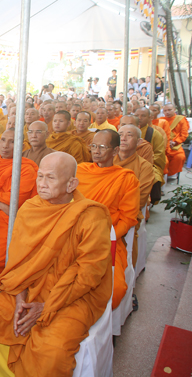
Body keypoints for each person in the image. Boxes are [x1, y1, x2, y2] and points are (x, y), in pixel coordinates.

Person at [0, 152, 112, 377]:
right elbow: (17, 263)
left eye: (50, 178)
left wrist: (46, 307)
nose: (42, 184)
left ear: (71, 184)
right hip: (27, 289)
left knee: (52, 352)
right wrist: (20, 299)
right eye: (40, 176)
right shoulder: (29, 209)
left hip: (72, 297)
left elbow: (89, 275)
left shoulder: (91, 216)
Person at [77, 130, 140, 309]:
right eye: (93, 146)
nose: (96, 151)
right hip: (73, 234)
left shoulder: (126, 178)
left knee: (114, 288)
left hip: (106, 238)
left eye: (102, 147)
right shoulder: (80, 170)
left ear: (115, 151)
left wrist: (107, 238)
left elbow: (128, 219)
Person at [0, 129, 38, 299]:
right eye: (3, 140)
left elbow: (15, 199)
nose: (5, 145)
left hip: (9, 221)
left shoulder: (26, 169)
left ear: (22, 146)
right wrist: (0, 204)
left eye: (12, 142)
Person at [116, 124, 154, 267]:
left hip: (126, 215)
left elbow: (139, 199)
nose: (123, 138)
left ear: (139, 142)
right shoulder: (106, 161)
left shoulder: (144, 167)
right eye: (120, 135)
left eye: (129, 135)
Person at [132, 109, 167, 200]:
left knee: (152, 177)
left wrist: (142, 163)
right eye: (137, 115)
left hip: (149, 164)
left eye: (143, 116)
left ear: (149, 118)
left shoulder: (155, 134)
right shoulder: (127, 133)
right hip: (129, 163)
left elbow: (159, 154)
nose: (139, 118)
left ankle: (147, 200)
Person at [161, 103, 189, 176]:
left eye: (169, 110)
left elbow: (184, 134)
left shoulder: (181, 119)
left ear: (174, 109)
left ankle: (170, 173)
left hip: (175, 145)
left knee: (180, 157)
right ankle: (162, 173)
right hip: (163, 145)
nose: (167, 112)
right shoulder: (161, 120)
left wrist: (175, 142)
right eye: (165, 110)